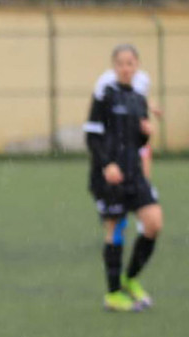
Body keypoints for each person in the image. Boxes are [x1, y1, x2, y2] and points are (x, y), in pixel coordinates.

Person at [86, 43, 163, 312]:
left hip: (134, 172)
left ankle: (130, 279)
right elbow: (92, 134)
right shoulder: (105, 95)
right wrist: (107, 165)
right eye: (121, 63)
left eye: (130, 63)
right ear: (114, 66)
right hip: (110, 175)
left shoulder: (139, 98)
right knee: (115, 227)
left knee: (153, 223)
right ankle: (113, 294)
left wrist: (145, 131)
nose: (126, 68)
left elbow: (139, 139)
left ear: (136, 66)